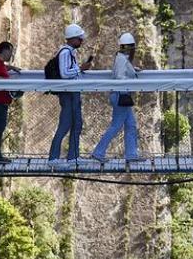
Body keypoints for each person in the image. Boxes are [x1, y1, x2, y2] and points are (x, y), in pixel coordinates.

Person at [48, 23, 94, 166]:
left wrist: (80, 69)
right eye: (79, 39)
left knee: (77, 124)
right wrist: (80, 68)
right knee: (65, 124)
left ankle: (73, 156)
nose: (81, 41)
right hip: (67, 94)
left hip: (73, 93)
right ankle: (53, 158)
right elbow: (64, 73)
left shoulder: (70, 52)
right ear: (72, 38)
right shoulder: (65, 52)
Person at [92, 33, 142, 163]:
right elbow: (120, 76)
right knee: (116, 126)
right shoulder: (121, 59)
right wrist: (131, 79)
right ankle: (98, 152)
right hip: (121, 96)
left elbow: (123, 70)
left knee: (131, 125)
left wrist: (133, 70)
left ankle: (131, 155)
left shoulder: (122, 58)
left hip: (122, 96)